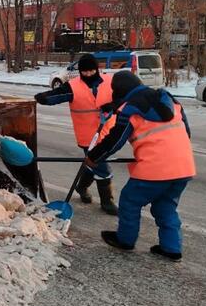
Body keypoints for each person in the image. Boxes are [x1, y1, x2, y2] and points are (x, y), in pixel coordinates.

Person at [85, 70, 196, 261]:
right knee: (166, 206)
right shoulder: (169, 100)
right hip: (184, 166)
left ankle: (125, 240)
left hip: (155, 169)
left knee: (130, 201)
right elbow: (186, 130)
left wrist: (94, 156)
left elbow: (115, 139)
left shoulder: (130, 109)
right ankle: (171, 248)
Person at [33, 53, 118, 214]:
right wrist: (43, 97)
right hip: (87, 136)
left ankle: (81, 186)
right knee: (102, 168)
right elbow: (57, 95)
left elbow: (124, 97)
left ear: (97, 69)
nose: (88, 74)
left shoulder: (110, 81)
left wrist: (113, 105)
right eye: (84, 72)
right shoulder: (73, 86)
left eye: (91, 71)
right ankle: (107, 202)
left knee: (93, 162)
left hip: (109, 133)